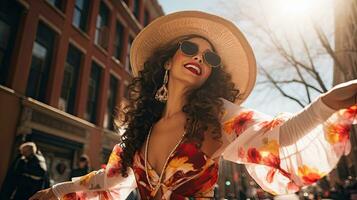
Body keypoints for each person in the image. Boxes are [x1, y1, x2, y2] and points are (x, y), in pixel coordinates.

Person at [30, 11, 357, 200]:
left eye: (209, 57)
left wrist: (326, 103)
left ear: (210, 73)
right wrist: (55, 192)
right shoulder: (138, 130)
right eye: (189, 48)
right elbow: (109, 183)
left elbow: (278, 137)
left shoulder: (218, 119)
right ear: (168, 61)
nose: (199, 57)